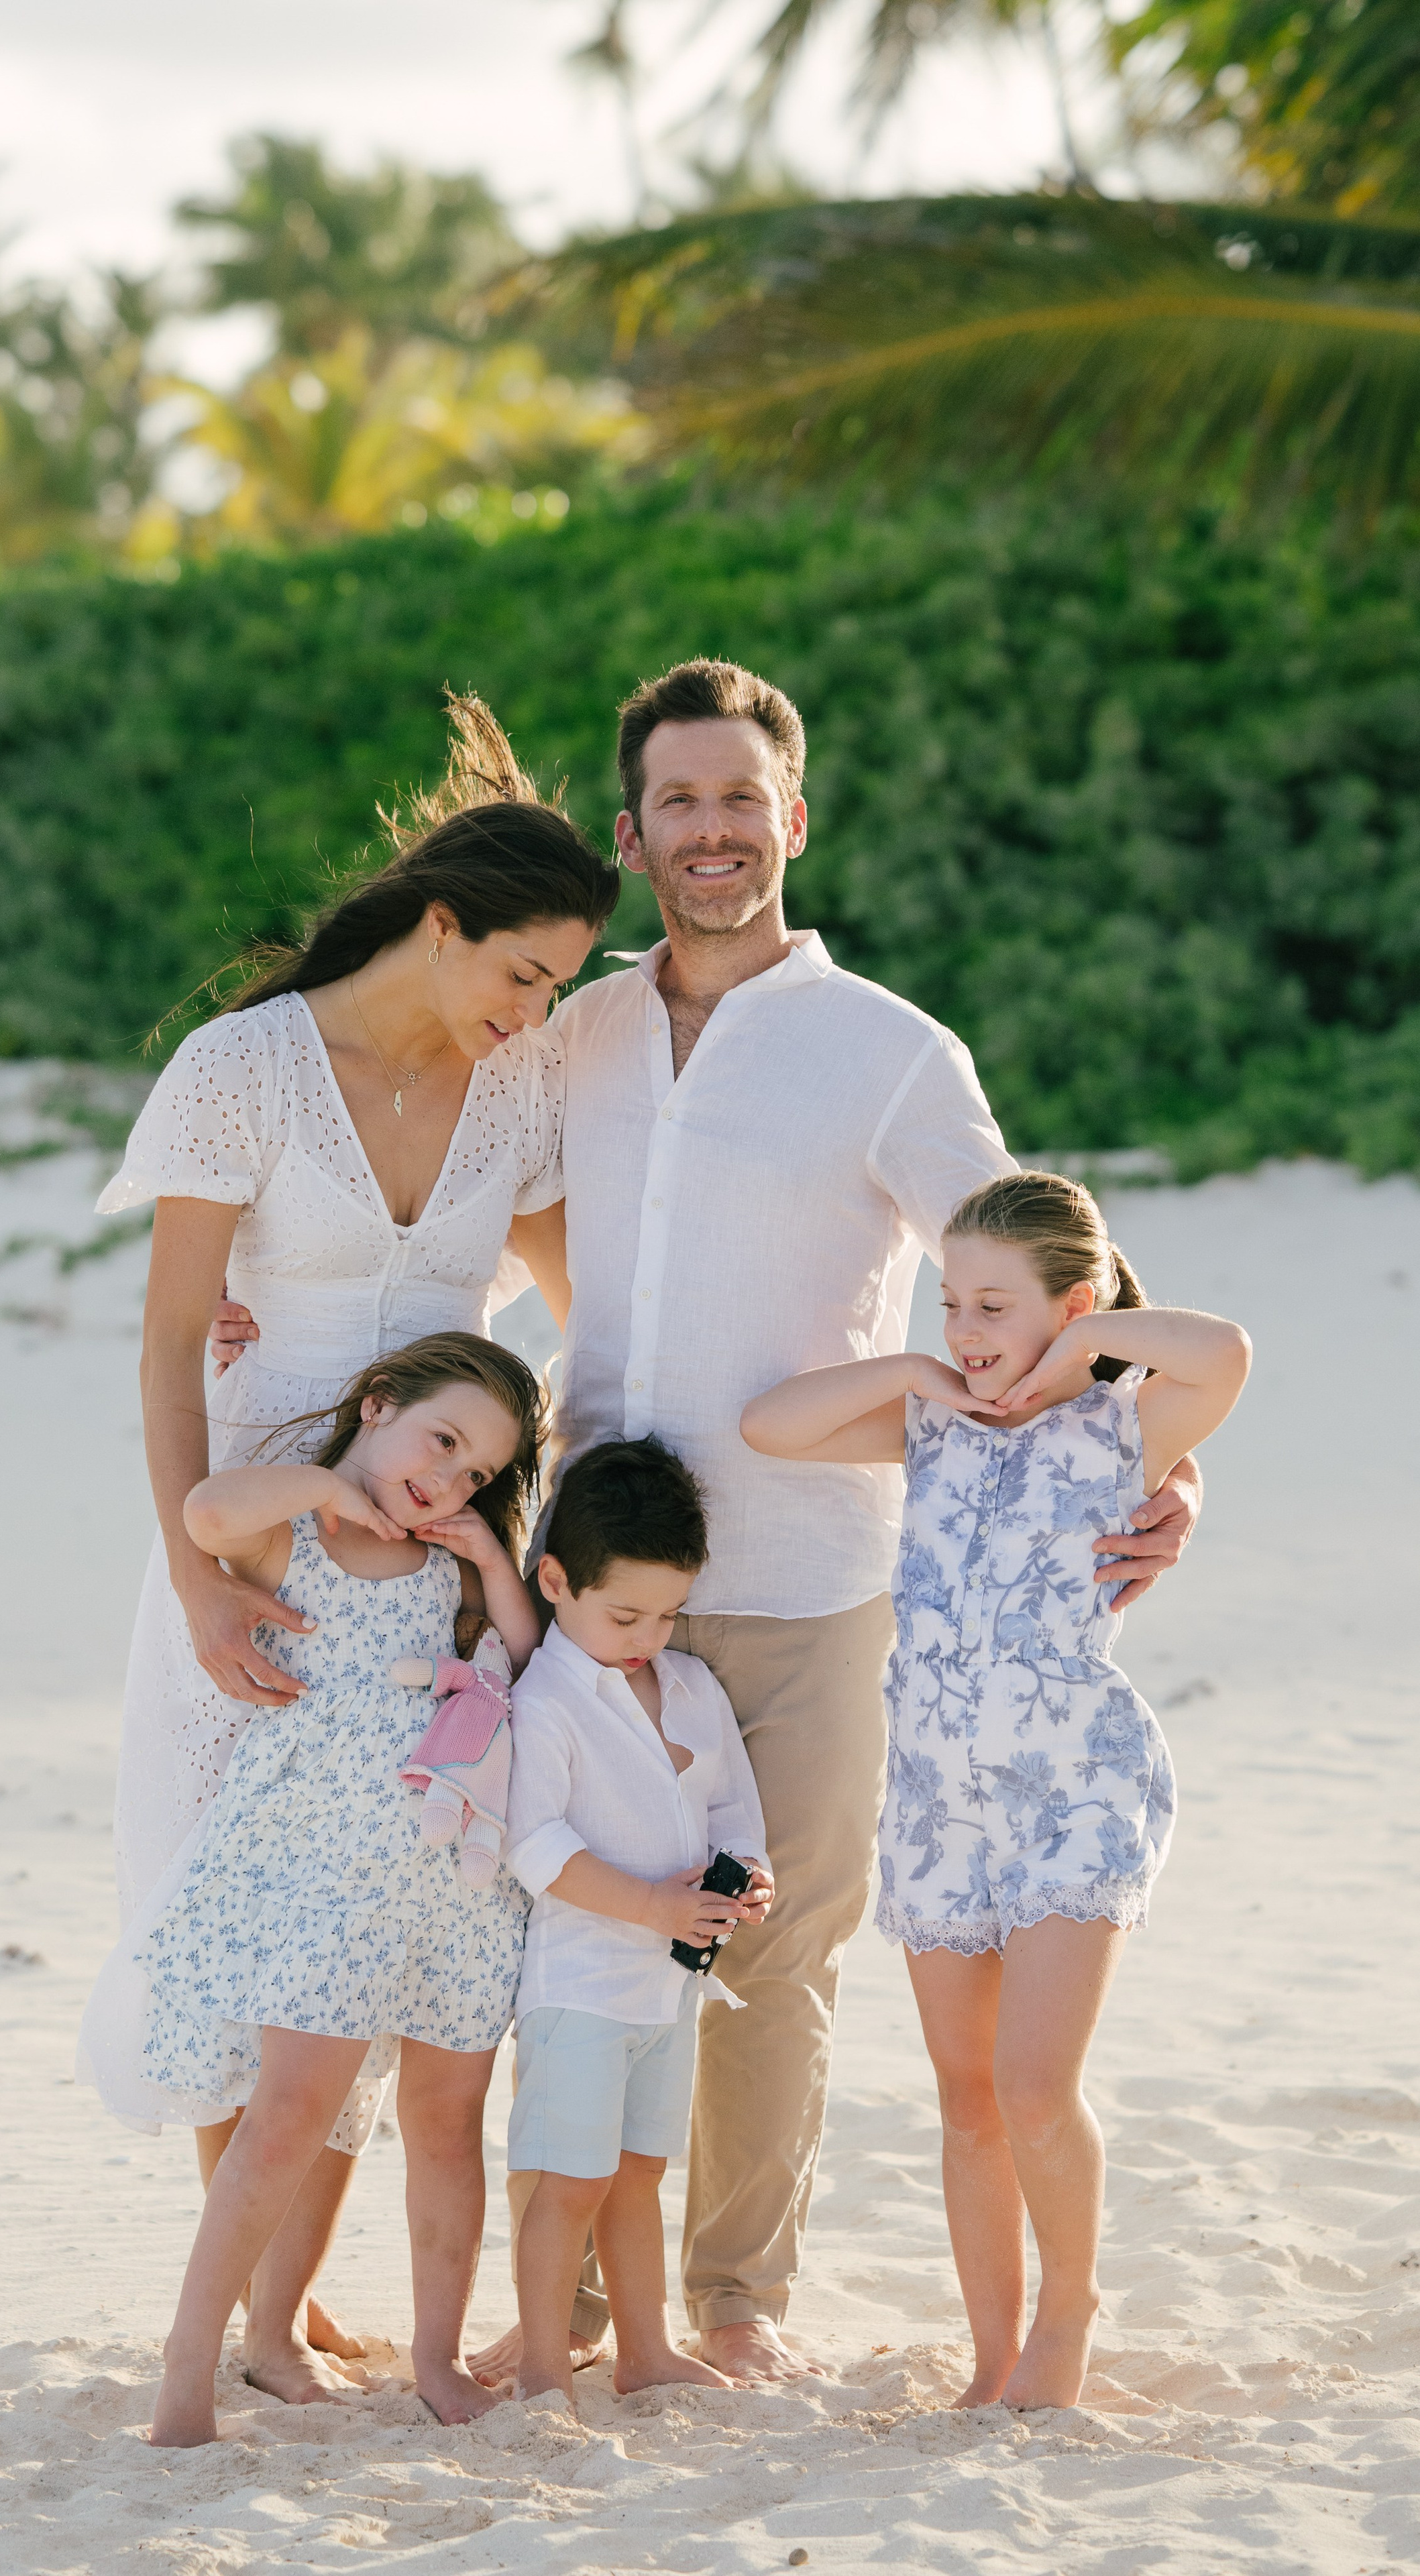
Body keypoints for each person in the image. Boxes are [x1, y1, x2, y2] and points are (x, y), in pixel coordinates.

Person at [216, 657, 1203, 2387]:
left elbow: (1050, 1268)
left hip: (814, 1571)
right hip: (591, 1568)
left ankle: (736, 2298)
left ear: (792, 817)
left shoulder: (889, 1051)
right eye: (676, 800)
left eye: (740, 797)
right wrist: (277, 1307)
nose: (710, 829)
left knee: (777, 1934)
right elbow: (448, 1208)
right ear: (630, 834)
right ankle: (584, 2302)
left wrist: (1158, 1463)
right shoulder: (573, 1030)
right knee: (579, 1930)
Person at [97, 694, 616, 2402]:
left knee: (382, 1897)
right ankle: (263, 2292)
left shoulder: (514, 1090)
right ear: (442, 923)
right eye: (520, 973)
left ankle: (288, 2298)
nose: (530, 1014)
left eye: (555, 989)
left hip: (436, 1569)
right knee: (238, 1896)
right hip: (257, 1536)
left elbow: (576, 1308)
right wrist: (198, 1580)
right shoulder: (241, 1070)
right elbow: (169, 1339)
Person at [742, 1172, 1251, 2408]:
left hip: (1074, 1787)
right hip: (937, 1800)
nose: (965, 1330)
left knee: (1032, 2083)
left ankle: (1067, 2316)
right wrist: (917, 1370)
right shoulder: (935, 1421)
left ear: (1073, 1305)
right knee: (967, 2098)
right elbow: (771, 1426)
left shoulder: (1127, 1423)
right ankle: (991, 2354)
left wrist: (1086, 1346)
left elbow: (1225, 1352)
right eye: (950, 1301)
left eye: (991, 1306)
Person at [79, 1333, 547, 2446]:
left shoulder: (452, 1567)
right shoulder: (296, 1533)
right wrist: (331, 1486)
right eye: (441, 1440)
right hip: (321, 1877)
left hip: (449, 1883)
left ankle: (431, 2357)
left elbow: (527, 1657)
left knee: (445, 2123)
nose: (449, 1477)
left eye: (478, 1470)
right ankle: (191, 2362)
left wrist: (491, 1555)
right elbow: (204, 1513)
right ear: (376, 1404)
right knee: (290, 2113)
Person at [502, 1438, 771, 2404]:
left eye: (667, 1614)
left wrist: (752, 1878)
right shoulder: (547, 1702)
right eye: (625, 1615)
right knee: (568, 2180)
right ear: (556, 1581)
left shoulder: (692, 1685)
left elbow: (734, 1809)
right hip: (580, 1987)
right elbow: (536, 1844)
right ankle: (542, 2367)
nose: (648, 1635)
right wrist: (654, 1904)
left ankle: (646, 2350)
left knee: (639, 2173)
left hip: (670, 1986)